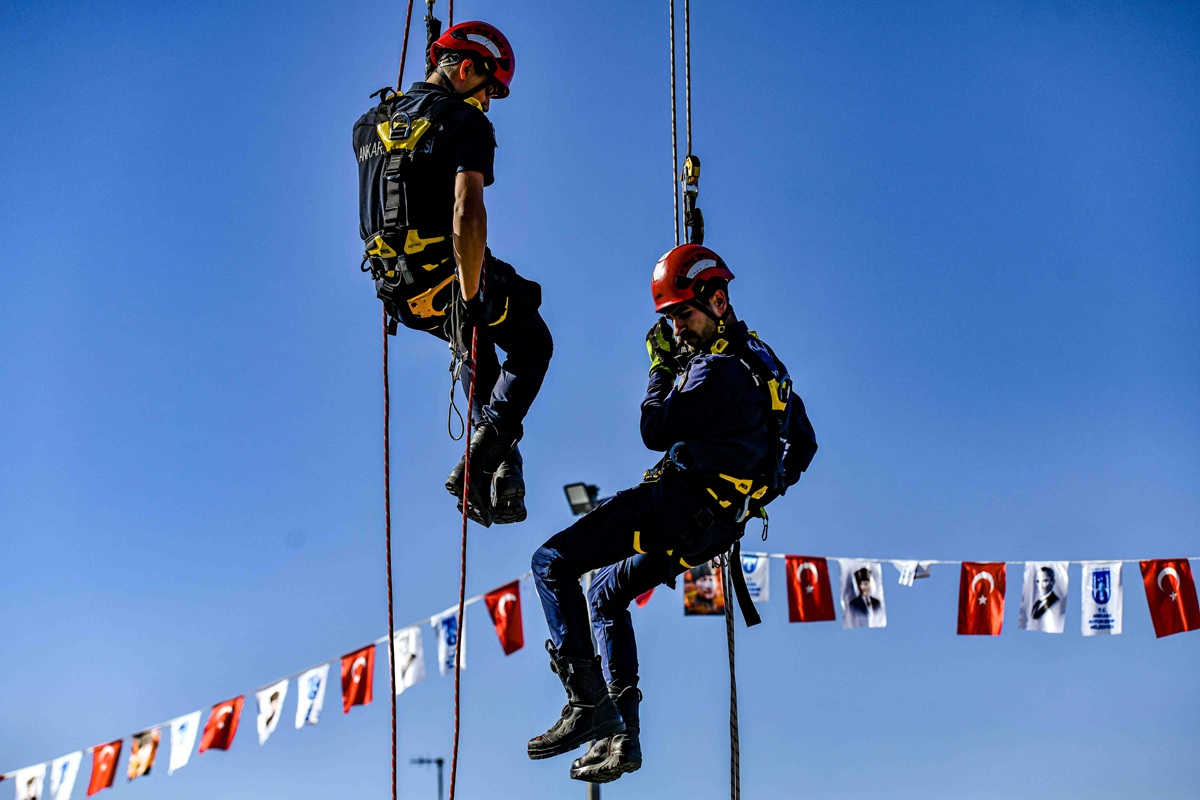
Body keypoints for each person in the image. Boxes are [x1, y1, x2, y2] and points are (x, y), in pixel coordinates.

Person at [528, 244, 817, 783]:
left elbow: (653, 431)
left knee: (552, 563)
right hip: (710, 529)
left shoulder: (719, 371)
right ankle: (623, 736)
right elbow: (802, 446)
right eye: (670, 319)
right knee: (606, 593)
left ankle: (587, 705)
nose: (677, 329)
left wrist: (661, 368)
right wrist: (753, 493)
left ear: (719, 301)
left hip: (673, 509)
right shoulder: (766, 366)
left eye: (683, 314)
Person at [353, 21, 553, 526]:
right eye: (489, 91)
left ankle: (506, 464)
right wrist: (470, 295)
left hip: (398, 294)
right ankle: (482, 462)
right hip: (444, 279)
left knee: (479, 346)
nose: (488, 103)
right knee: (532, 343)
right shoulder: (466, 123)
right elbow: (467, 213)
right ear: (466, 69)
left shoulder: (366, 125)